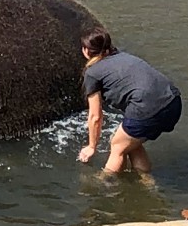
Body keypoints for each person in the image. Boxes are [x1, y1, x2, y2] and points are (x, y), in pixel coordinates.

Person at [78, 27, 182, 177]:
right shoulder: (122, 56)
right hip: (173, 101)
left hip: (147, 109)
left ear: (86, 51)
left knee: (117, 146)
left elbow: (95, 116)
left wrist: (91, 146)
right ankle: (146, 181)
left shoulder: (92, 73)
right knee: (131, 143)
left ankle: (107, 184)